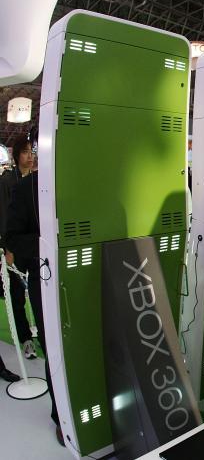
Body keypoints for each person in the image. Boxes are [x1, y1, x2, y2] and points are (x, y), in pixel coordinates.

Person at [5, 170, 63, 446]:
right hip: (46, 278)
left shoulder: (82, 178)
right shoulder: (27, 187)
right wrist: (49, 243)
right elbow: (12, 237)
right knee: (55, 348)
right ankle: (62, 417)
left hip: (87, 273)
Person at [0, 136, 37, 359]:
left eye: (31, 151)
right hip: (15, 248)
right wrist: (8, 249)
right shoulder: (6, 182)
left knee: (36, 290)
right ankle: (25, 339)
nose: (29, 156)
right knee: (16, 296)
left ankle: (40, 330)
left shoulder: (36, 180)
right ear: (16, 156)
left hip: (34, 247)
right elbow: (4, 217)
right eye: (24, 152)